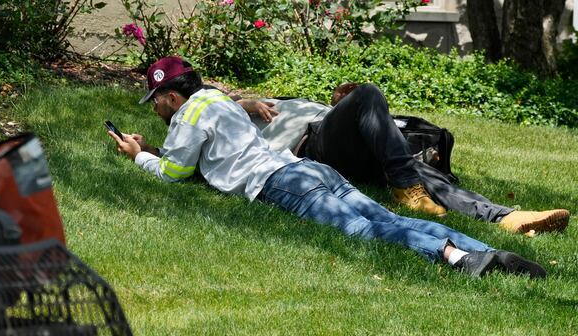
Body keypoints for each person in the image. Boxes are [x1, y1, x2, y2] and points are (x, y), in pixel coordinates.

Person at [107, 56, 547, 278]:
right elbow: (220, 124)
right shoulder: (216, 99)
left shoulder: (186, 117)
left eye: (157, 102)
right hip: (312, 171)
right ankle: (484, 251)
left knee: (363, 230)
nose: (156, 110)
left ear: (171, 97)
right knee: (385, 217)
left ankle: (458, 258)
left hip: (282, 183)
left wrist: (139, 155)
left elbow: (175, 173)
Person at [234, 86, 570, 235]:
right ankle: (406, 185)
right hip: (310, 147)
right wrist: (245, 102)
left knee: (411, 166)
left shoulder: (294, 100)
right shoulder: (225, 111)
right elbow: (212, 105)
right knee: (367, 94)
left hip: (341, 140)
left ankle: (506, 217)